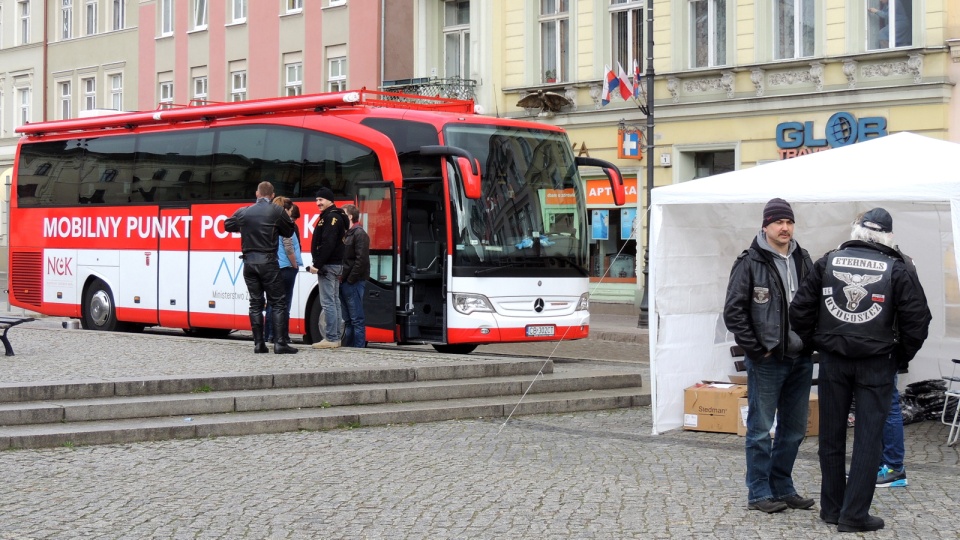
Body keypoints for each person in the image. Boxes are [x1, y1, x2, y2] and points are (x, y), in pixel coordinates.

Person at [790, 208, 931, 533]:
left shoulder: (829, 261)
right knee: (868, 439)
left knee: (831, 436)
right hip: (877, 362)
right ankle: (854, 514)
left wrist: (820, 342)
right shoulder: (898, 267)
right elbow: (918, 321)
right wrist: (899, 357)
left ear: (856, 231)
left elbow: (799, 310)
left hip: (834, 360)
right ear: (887, 236)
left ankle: (832, 508)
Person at [723, 198, 815, 515]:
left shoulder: (803, 258)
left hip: (800, 358)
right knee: (761, 430)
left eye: (789, 222)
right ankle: (759, 492)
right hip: (767, 360)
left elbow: (814, 304)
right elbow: (734, 313)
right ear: (766, 226)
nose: (785, 228)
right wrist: (758, 349)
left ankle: (783, 487)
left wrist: (811, 343)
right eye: (778, 222)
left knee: (794, 430)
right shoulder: (750, 262)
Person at [224, 181, 298, 355]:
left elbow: (227, 225)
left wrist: (245, 226)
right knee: (278, 302)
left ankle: (259, 344)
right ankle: (280, 343)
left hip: (249, 263)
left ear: (257, 194)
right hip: (268, 262)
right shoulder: (276, 210)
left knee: (255, 304)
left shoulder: (244, 211)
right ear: (272, 196)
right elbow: (288, 231)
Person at [308, 187, 348, 349]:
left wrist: (317, 265)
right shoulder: (337, 216)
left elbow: (328, 243)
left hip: (328, 265)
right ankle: (336, 337)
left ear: (330, 200)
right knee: (335, 301)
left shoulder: (331, 218)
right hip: (336, 264)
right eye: (317, 200)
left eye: (321, 200)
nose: (318, 203)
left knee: (328, 302)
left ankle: (331, 337)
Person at [265, 198, 303, 345]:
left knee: (271, 303)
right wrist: (295, 264)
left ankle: (269, 334)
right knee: (284, 304)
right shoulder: (285, 226)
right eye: (289, 210)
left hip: (271, 267)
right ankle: (282, 336)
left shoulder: (268, 225)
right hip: (286, 268)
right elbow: (289, 247)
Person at [340, 204, 370, 348]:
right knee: (348, 320)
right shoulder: (348, 233)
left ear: (350, 216)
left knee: (356, 319)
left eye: (343, 214)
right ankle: (349, 349)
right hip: (346, 281)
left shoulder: (359, 234)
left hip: (353, 282)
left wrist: (350, 279)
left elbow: (361, 260)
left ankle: (359, 349)